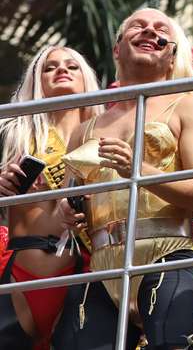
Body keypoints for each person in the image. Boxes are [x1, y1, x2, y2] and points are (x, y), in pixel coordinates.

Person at [52, 8, 193, 350]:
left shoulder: (191, 106)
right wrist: (64, 212)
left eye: (160, 29)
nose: (149, 31)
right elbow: (69, 201)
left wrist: (138, 170)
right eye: (138, 26)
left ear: (171, 52)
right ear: (117, 49)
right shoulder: (85, 128)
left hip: (169, 252)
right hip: (101, 267)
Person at [0, 46, 102, 349]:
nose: (62, 71)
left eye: (72, 66)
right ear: (36, 80)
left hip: (88, 274)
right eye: (50, 67)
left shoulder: (105, 134)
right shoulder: (11, 130)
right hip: (24, 274)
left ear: (86, 78)